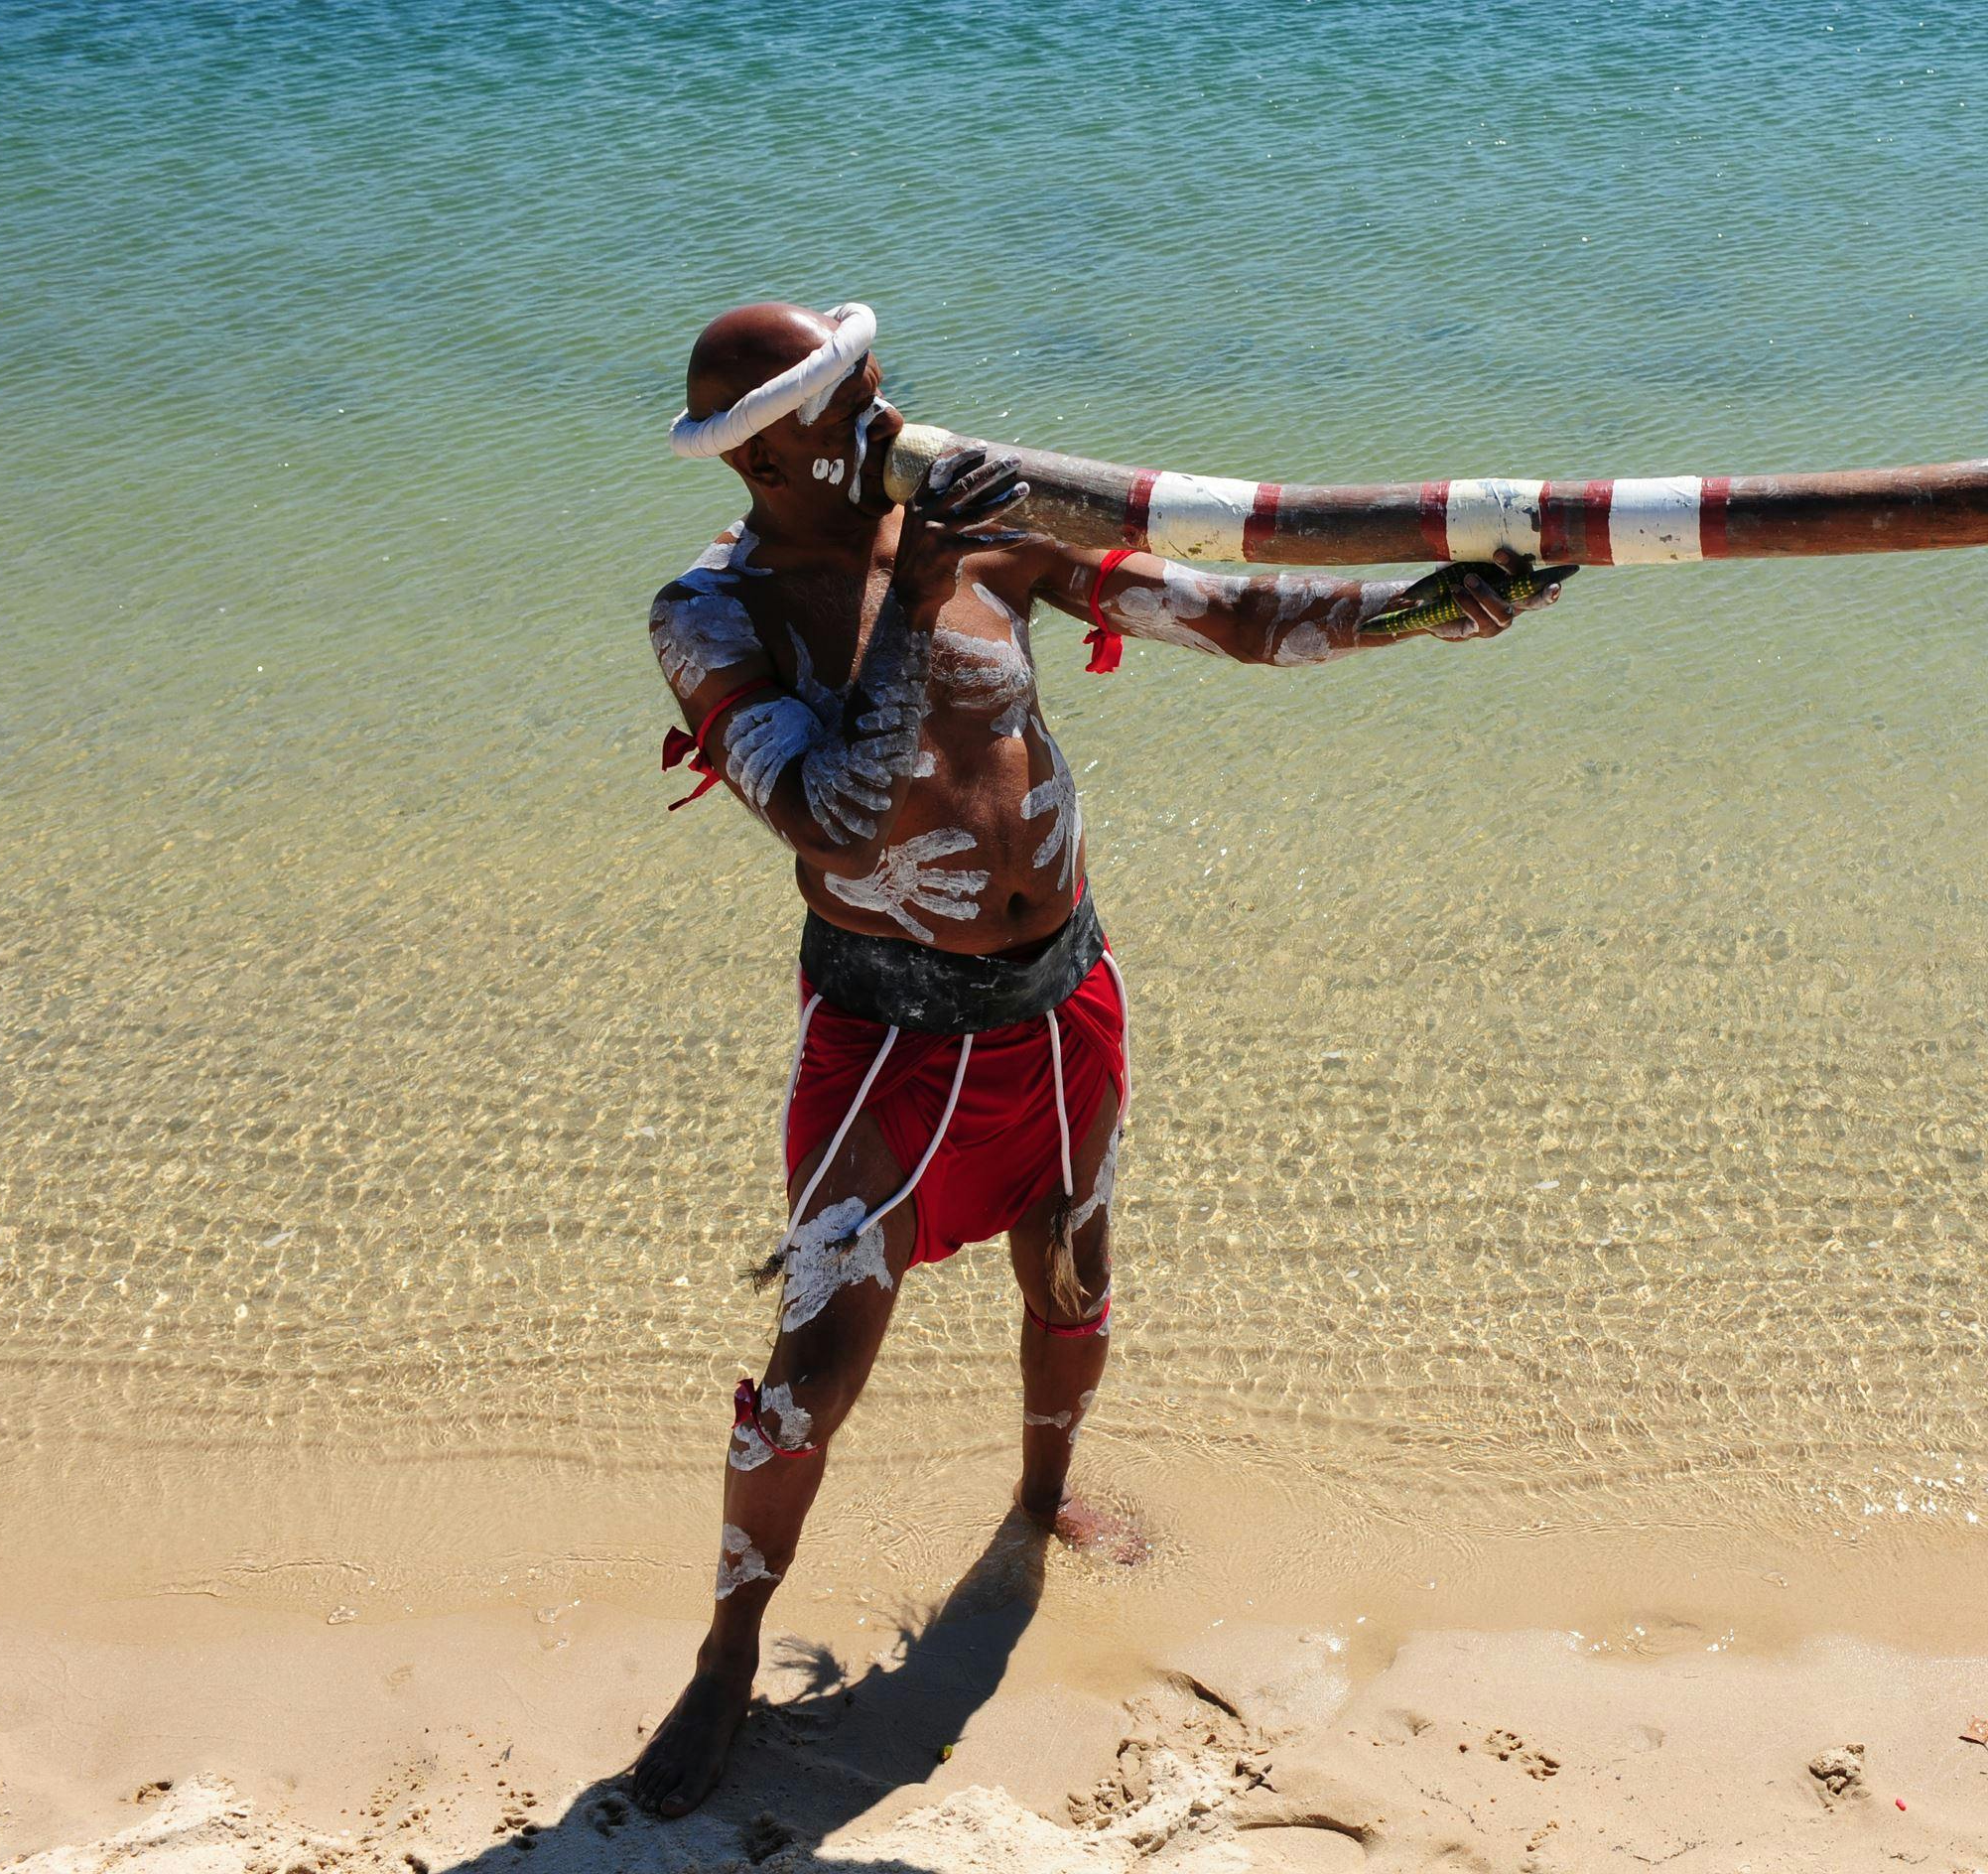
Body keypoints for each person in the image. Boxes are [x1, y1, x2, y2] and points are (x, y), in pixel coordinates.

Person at [627, 300, 1572, 1816]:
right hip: (886, 1040)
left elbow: (1234, 615)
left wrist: (1429, 606)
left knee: (1070, 1278)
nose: (892, 421)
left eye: (881, 390)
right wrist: (919, 583)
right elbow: (830, 814)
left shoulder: (1001, 541)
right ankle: (729, 1652)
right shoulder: (711, 616)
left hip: (1060, 1003)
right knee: (811, 1377)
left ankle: (1041, 1501)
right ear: (775, 453)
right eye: (856, 406)